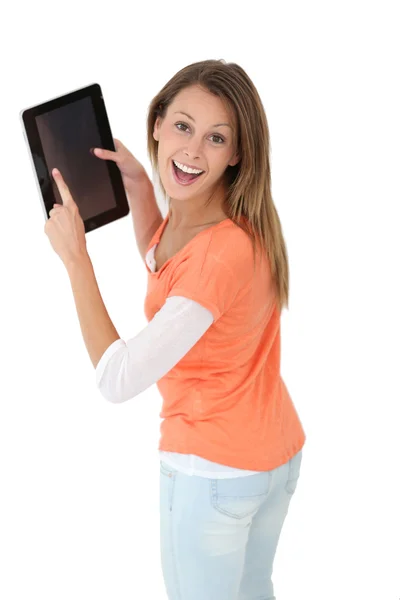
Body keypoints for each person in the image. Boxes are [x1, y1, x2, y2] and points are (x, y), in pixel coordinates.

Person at [93, 59, 306, 600]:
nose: (191, 151)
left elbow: (117, 379)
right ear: (158, 122)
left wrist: (75, 259)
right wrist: (143, 191)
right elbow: (168, 272)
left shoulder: (212, 259)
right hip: (272, 460)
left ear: (236, 154)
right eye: (184, 126)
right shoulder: (230, 222)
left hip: (213, 473)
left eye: (216, 138)